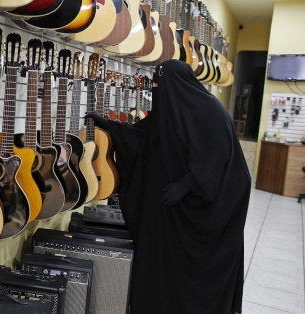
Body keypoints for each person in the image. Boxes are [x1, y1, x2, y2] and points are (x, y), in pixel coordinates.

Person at [86, 59, 250, 314]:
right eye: (153, 83)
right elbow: (142, 138)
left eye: (158, 83)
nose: (154, 88)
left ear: (175, 83)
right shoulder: (169, 109)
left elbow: (217, 157)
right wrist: (111, 127)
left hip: (204, 211)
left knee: (193, 271)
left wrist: (186, 185)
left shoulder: (210, 112)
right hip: (169, 208)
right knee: (164, 264)